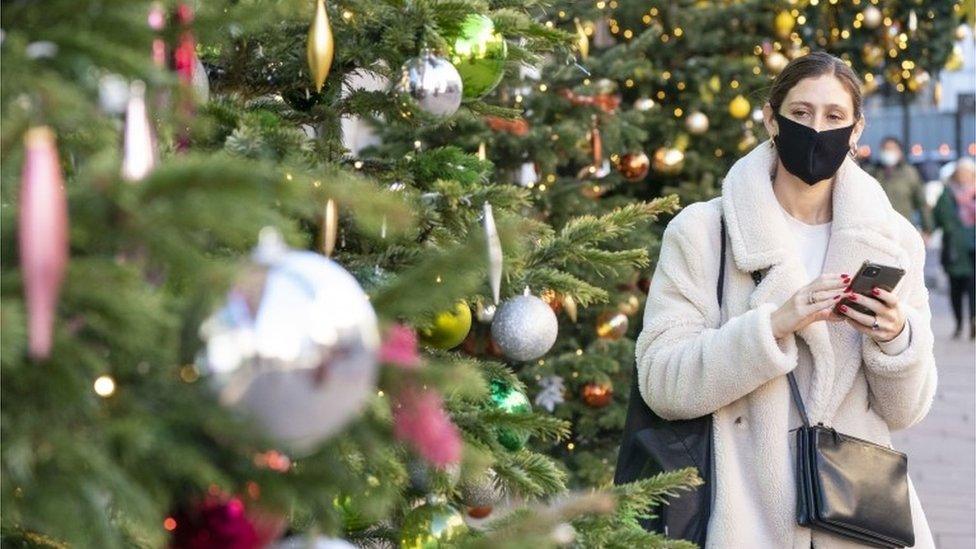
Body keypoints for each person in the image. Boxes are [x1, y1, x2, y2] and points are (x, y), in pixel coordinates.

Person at [635, 51, 936, 548]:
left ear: (856, 130)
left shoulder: (893, 241)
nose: (817, 129)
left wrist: (897, 339)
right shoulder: (705, 233)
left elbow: (905, 412)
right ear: (770, 119)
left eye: (834, 116)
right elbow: (662, 382)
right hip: (743, 517)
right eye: (800, 113)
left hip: (858, 521)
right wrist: (771, 326)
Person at [932, 157, 976, 339]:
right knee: (956, 290)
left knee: (973, 288)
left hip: (973, 249)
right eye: (961, 173)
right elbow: (938, 217)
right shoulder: (947, 194)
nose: (964, 176)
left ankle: (973, 320)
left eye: (968, 173)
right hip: (954, 250)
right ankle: (959, 323)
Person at [869, 136, 934, 240]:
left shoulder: (910, 174)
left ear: (899, 152)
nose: (888, 152)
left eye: (892, 149)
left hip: (902, 230)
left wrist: (927, 229)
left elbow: (921, 203)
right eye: (885, 149)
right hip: (877, 231)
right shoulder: (872, 172)